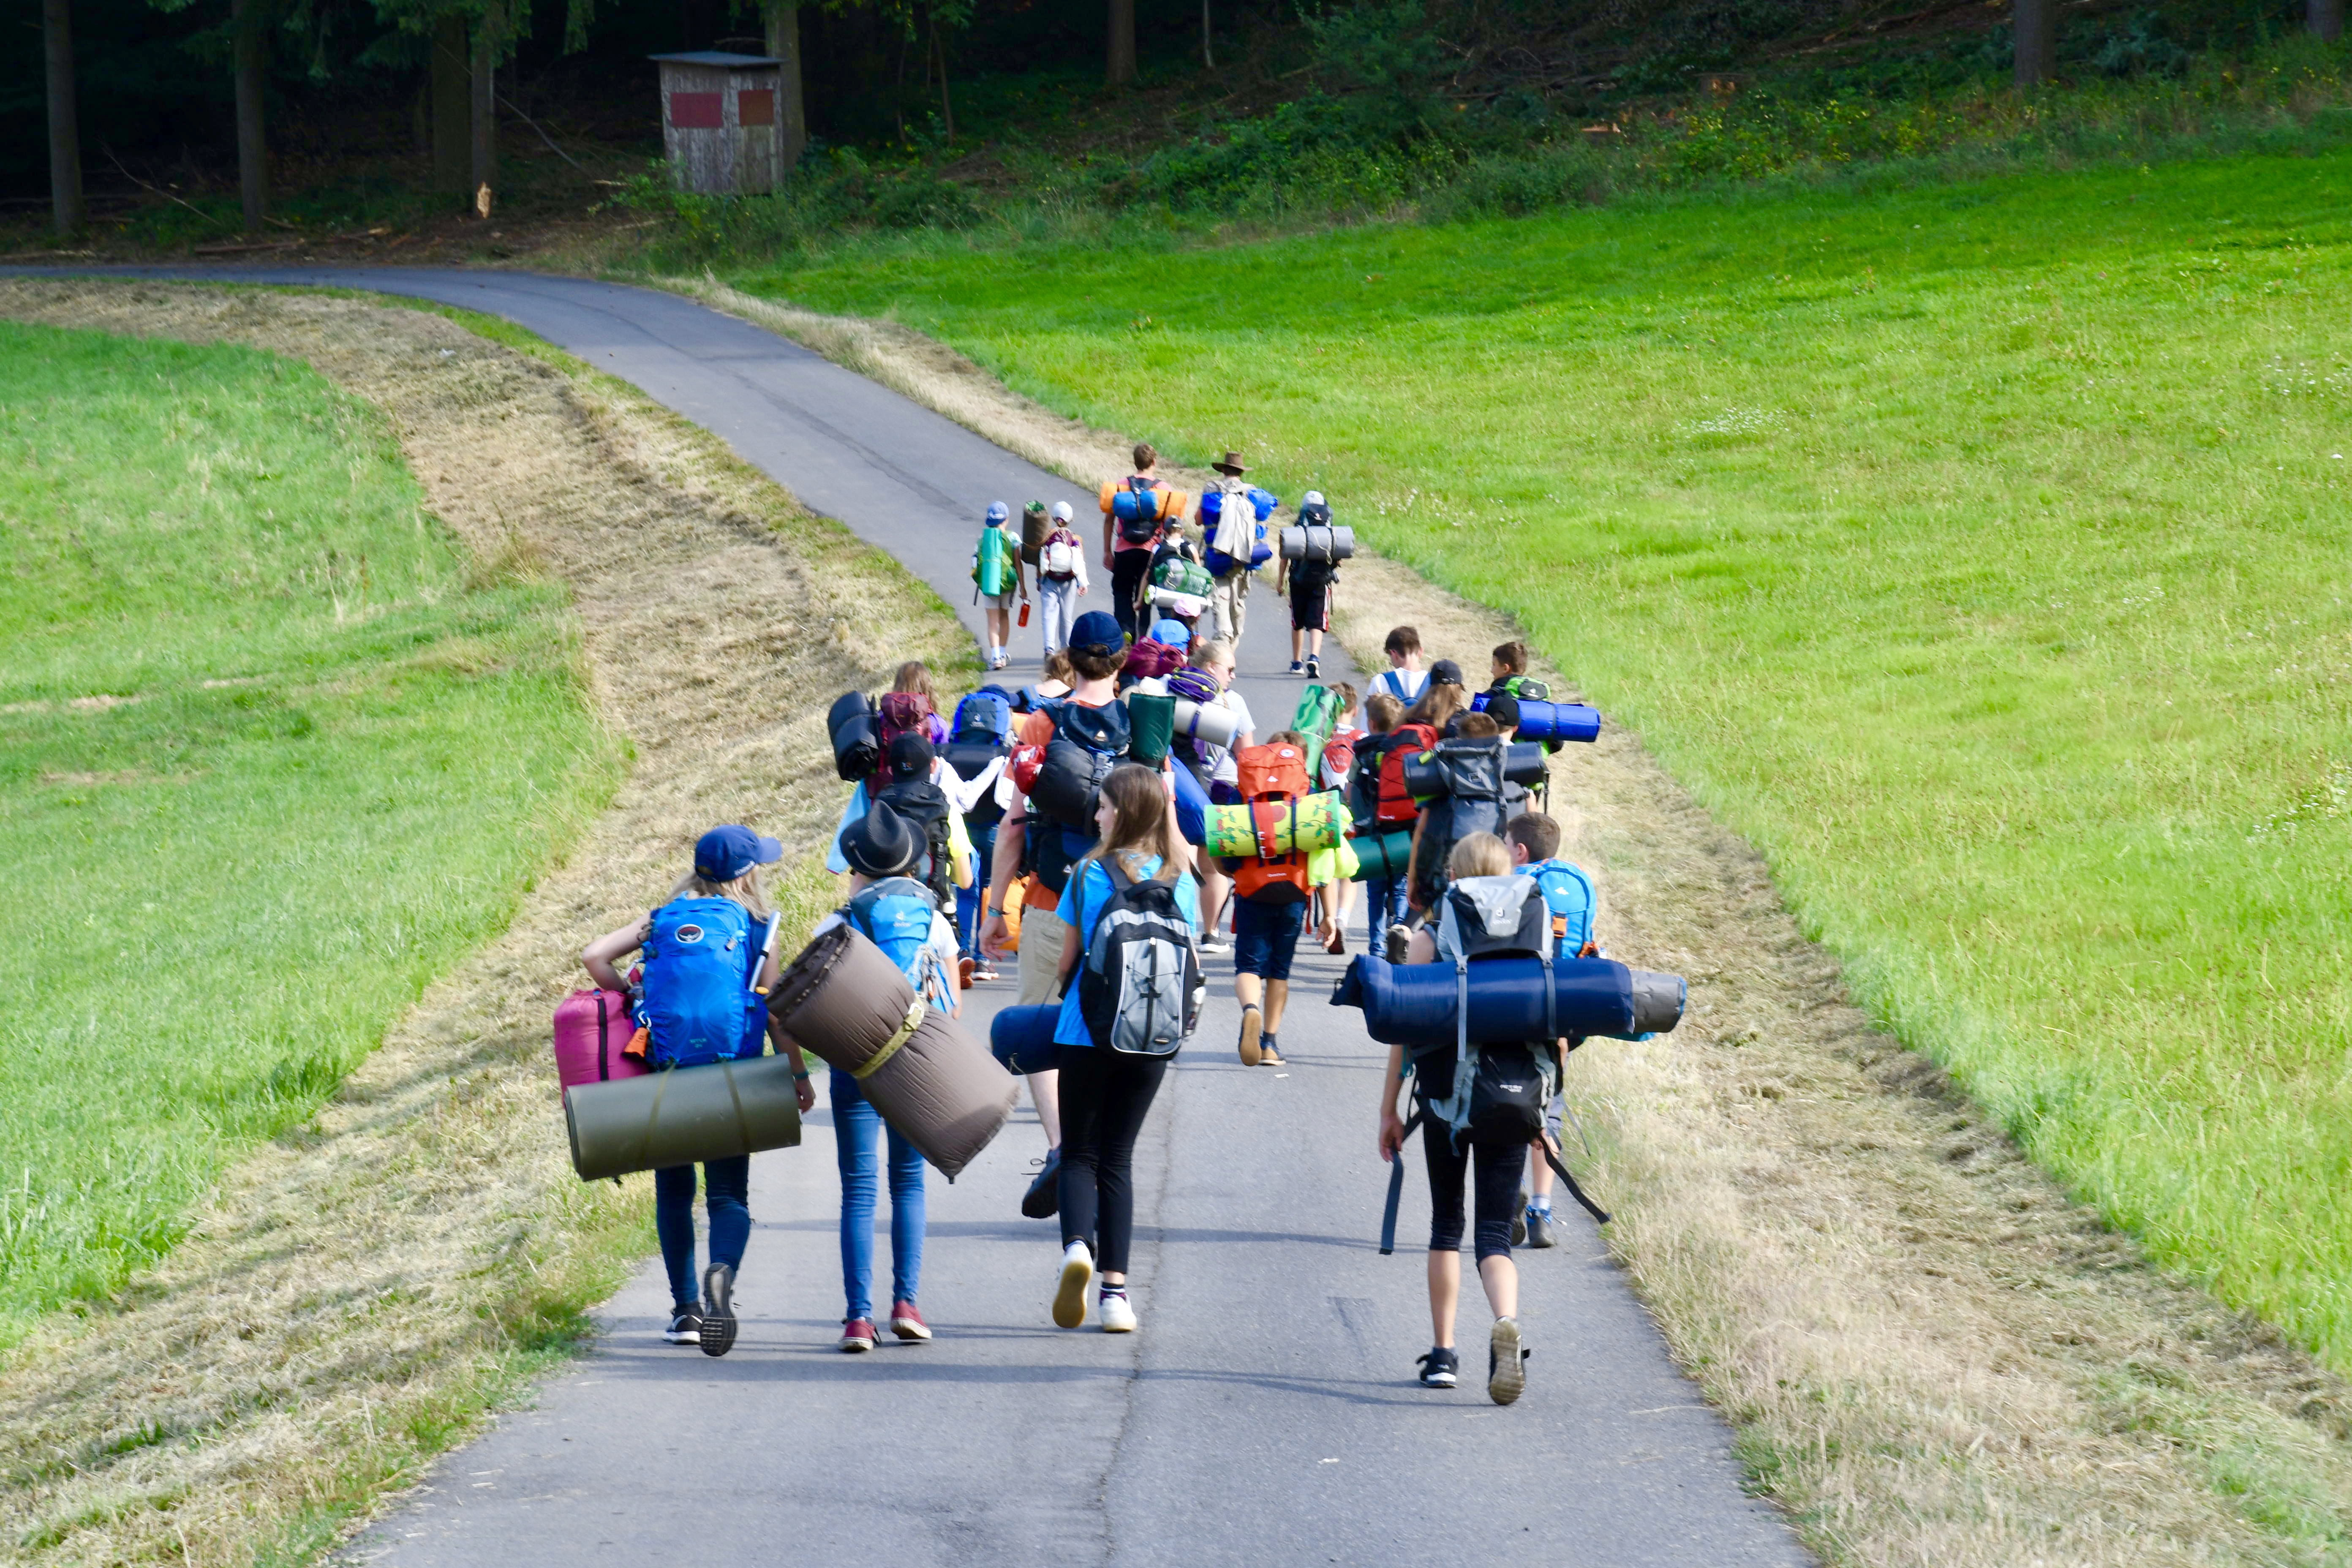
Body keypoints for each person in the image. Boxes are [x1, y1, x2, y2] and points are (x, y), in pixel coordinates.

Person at [580, 825, 814, 1353]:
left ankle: (685, 1310)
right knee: (729, 1195)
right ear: (747, 875)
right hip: (733, 1077)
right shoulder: (759, 927)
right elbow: (776, 1013)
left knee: (674, 1193)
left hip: (670, 1075)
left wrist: (628, 997)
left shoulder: (661, 919)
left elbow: (595, 956)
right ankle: (722, 1275)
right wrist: (796, 1075)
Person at [1378, 831, 1552, 1405]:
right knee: (1496, 1235)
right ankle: (1506, 1321)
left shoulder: (1432, 938)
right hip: (1514, 1098)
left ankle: (1444, 1356)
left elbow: (1405, 1032)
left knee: (1446, 1226)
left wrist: (1389, 1110)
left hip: (1447, 1102)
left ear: (1455, 877)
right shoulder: (1534, 929)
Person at [981, 609, 1130, 1217]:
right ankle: (1102, 1153)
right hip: (1121, 906)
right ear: (1120, 660)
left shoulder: (1044, 723)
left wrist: (994, 911)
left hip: (1050, 899)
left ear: (1068, 659)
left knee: (1042, 1024)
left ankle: (1062, 1146)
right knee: (1117, 1031)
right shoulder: (1143, 725)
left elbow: (1014, 827)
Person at [1049, 764, 1199, 1332]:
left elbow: (1068, 961)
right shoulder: (1179, 877)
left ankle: (1077, 1250)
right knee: (1118, 1157)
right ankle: (1115, 1295)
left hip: (1085, 1030)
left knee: (1080, 1152)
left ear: (1125, 812)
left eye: (1106, 806)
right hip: (1153, 1037)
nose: (1097, 814)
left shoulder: (1088, 872)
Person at [804, 803, 960, 1351]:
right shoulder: (934, 919)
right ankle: (908, 1304)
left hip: (856, 1069)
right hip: (913, 1067)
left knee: (859, 1190)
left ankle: (857, 1318)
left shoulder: (838, 922)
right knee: (908, 1184)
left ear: (859, 868)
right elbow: (952, 1006)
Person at [1224, 733, 1355, 1066]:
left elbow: (1221, 854)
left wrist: (1236, 873)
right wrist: (1329, 916)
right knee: (1279, 971)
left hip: (1253, 892)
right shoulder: (1311, 799)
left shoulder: (1242, 795)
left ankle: (1250, 1010)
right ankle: (1269, 1045)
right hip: (1295, 895)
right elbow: (1322, 864)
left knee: (1249, 966)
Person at [1502, 811, 1599, 1251]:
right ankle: (1542, 1210)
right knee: (1548, 1108)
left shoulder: (1507, 883)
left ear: (1519, 850)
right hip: (1561, 1016)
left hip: (1511, 1010)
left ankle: (1510, 1193)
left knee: (1505, 1101)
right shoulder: (1577, 887)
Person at [1181, 638, 1254, 953]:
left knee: (1176, 858)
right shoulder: (1233, 702)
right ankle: (1210, 934)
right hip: (1218, 787)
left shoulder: (1171, 690)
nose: (1233, 676)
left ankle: (1177, 929)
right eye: (1230, 669)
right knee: (1213, 865)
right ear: (1212, 668)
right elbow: (1247, 754)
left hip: (1177, 785)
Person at [1102, 441, 1171, 645]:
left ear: (1135, 462)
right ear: (1154, 462)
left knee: (1122, 591)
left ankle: (1125, 632)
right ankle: (1142, 637)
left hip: (1124, 549)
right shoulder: (1163, 488)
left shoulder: (1122, 485)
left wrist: (1107, 551)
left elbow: (1109, 520)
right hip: (1150, 551)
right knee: (1147, 595)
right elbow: (1170, 525)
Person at [1201, 449, 1259, 647]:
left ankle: (1223, 633)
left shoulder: (1212, 488)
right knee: (1238, 598)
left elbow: (1199, 519)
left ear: (1224, 470)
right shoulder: (1251, 492)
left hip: (1217, 552)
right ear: (1241, 472)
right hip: (1243, 553)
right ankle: (1235, 637)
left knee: (1220, 592)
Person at [1279, 490, 1339, 678]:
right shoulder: (1329, 532)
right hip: (1321, 582)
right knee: (1317, 623)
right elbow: (1338, 559)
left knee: (1297, 623)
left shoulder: (1297, 531)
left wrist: (1280, 582)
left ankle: (1297, 663)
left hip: (1297, 580)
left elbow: (1284, 558)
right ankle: (1314, 657)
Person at [972, 501, 1029, 672]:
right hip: (1008, 584)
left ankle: (995, 657)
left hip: (989, 582)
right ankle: (1003, 654)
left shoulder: (983, 539)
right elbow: (1018, 564)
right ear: (1007, 519)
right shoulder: (1013, 538)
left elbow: (976, 563)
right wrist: (1023, 588)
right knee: (1004, 617)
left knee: (992, 622)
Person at [1035, 501, 1090, 656]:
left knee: (1048, 615)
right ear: (1070, 519)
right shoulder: (1075, 538)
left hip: (1049, 580)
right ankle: (1066, 650)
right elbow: (1080, 561)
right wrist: (1082, 583)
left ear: (1054, 518)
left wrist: (1039, 580)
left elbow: (1039, 559)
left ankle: (1049, 648)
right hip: (1069, 582)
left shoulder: (1048, 536)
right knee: (1067, 617)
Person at [1375, 626, 1429, 705]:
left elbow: (1368, 717)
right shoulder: (1435, 682)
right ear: (1421, 651)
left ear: (1393, 654)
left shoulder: (1380, 681)